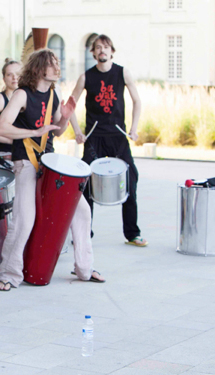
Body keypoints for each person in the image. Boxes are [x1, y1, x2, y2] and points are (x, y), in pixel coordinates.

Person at [0, 49, 105, 292]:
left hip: (50, 166)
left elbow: (56, 131)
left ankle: (84, 268)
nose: (58, 68)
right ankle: (9, 273)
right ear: (40, 68)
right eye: (53, 64)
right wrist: (33, 132)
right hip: (25, 163)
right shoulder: (22, 95)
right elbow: (2, 127)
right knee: (24, 220)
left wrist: (65, 118)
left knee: (82, 210)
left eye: (58, 63)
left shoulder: (54, 95)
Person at [69, 34, 147, 247]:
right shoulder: (86, 77)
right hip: (94, 138)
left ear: (112, 51)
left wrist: (133, 128)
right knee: (84, 184)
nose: (102, 50)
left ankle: (132, 233)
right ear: (93, 53)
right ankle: (85, 233)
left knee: (131, 177)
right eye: (98, 47)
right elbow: (70, 105)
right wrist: (77, 131)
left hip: (118, 137)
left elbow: (137, 101)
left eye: (105, 47)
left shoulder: (123, 73)